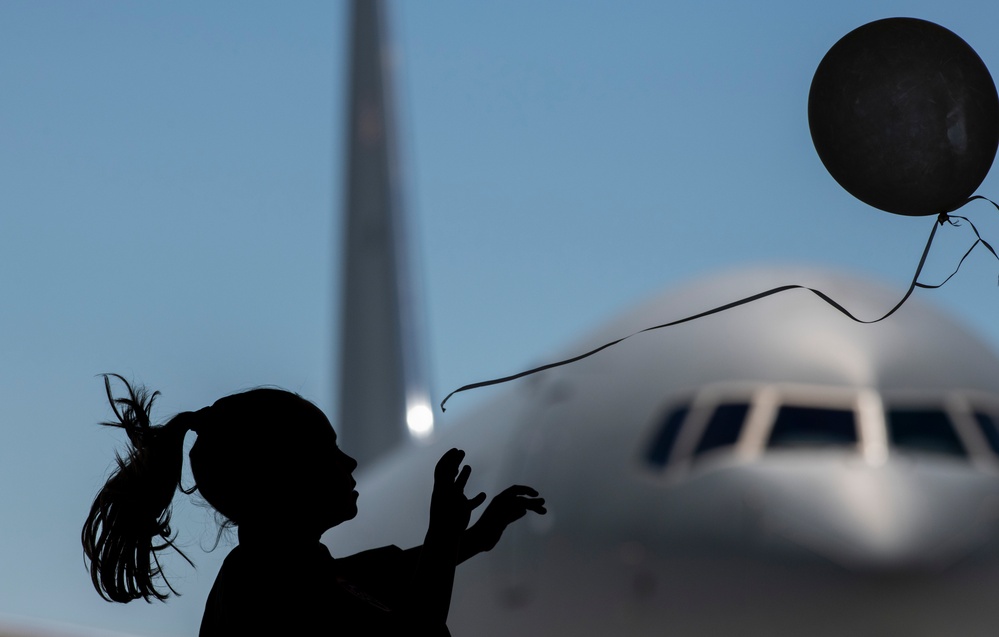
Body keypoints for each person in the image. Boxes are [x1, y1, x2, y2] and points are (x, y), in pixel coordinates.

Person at [82, 374, 546, 635]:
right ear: (281, 478)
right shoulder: (274, 585)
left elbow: (382, 571)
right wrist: (446, 534)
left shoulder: (275, 571)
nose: (350, 461)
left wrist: (472, 539)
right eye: (327, 451)